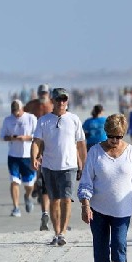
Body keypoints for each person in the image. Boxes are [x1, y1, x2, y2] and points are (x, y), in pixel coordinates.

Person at [78, 114, 132, 262]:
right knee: (100, 250)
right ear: (105, 133)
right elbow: (86, 180)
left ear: (123, 134)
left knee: (118, 246)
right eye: (110, 136)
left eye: (118, 136)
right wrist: (85, 205)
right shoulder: (95, 152)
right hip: (98, 210)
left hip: (123, 211)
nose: (114, 140)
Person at [31, 88, 87, 246]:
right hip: (49, 166)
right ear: (53, 101)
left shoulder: (74, 119)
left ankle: (63, 233)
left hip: (69, 166)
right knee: (54, 200)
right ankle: (56, 233)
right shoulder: (44, 120)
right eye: (59, 99)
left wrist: (84, 163)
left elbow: (81, 143)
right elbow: (37, 142)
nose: (62, 102)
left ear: (67, 101)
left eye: (64, 99)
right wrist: (34, 157)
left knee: (67, 200)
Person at [24, 84, 54, 230]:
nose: (43, 95)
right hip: (36, 141)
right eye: (41, 92)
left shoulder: (53, 104)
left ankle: (38, 188)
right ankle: (38, 188)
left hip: (51, 142)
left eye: (45, 92)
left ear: (48, 93)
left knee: (48, 175)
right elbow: (22, 114)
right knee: (39, 171)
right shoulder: (32, 104)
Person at [0, 99, 38, 217]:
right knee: (14, 181)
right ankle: (16, 207)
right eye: (13, 112)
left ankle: (27, 196)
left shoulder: (31, 118)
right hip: (13, 156)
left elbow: (38, 136)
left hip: (28, 155)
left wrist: (25, 138)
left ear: (22, 109)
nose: (15, 114)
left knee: (29, 184)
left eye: (17, 111)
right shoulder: (7, 120)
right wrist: (11, 138)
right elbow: (2, 136)